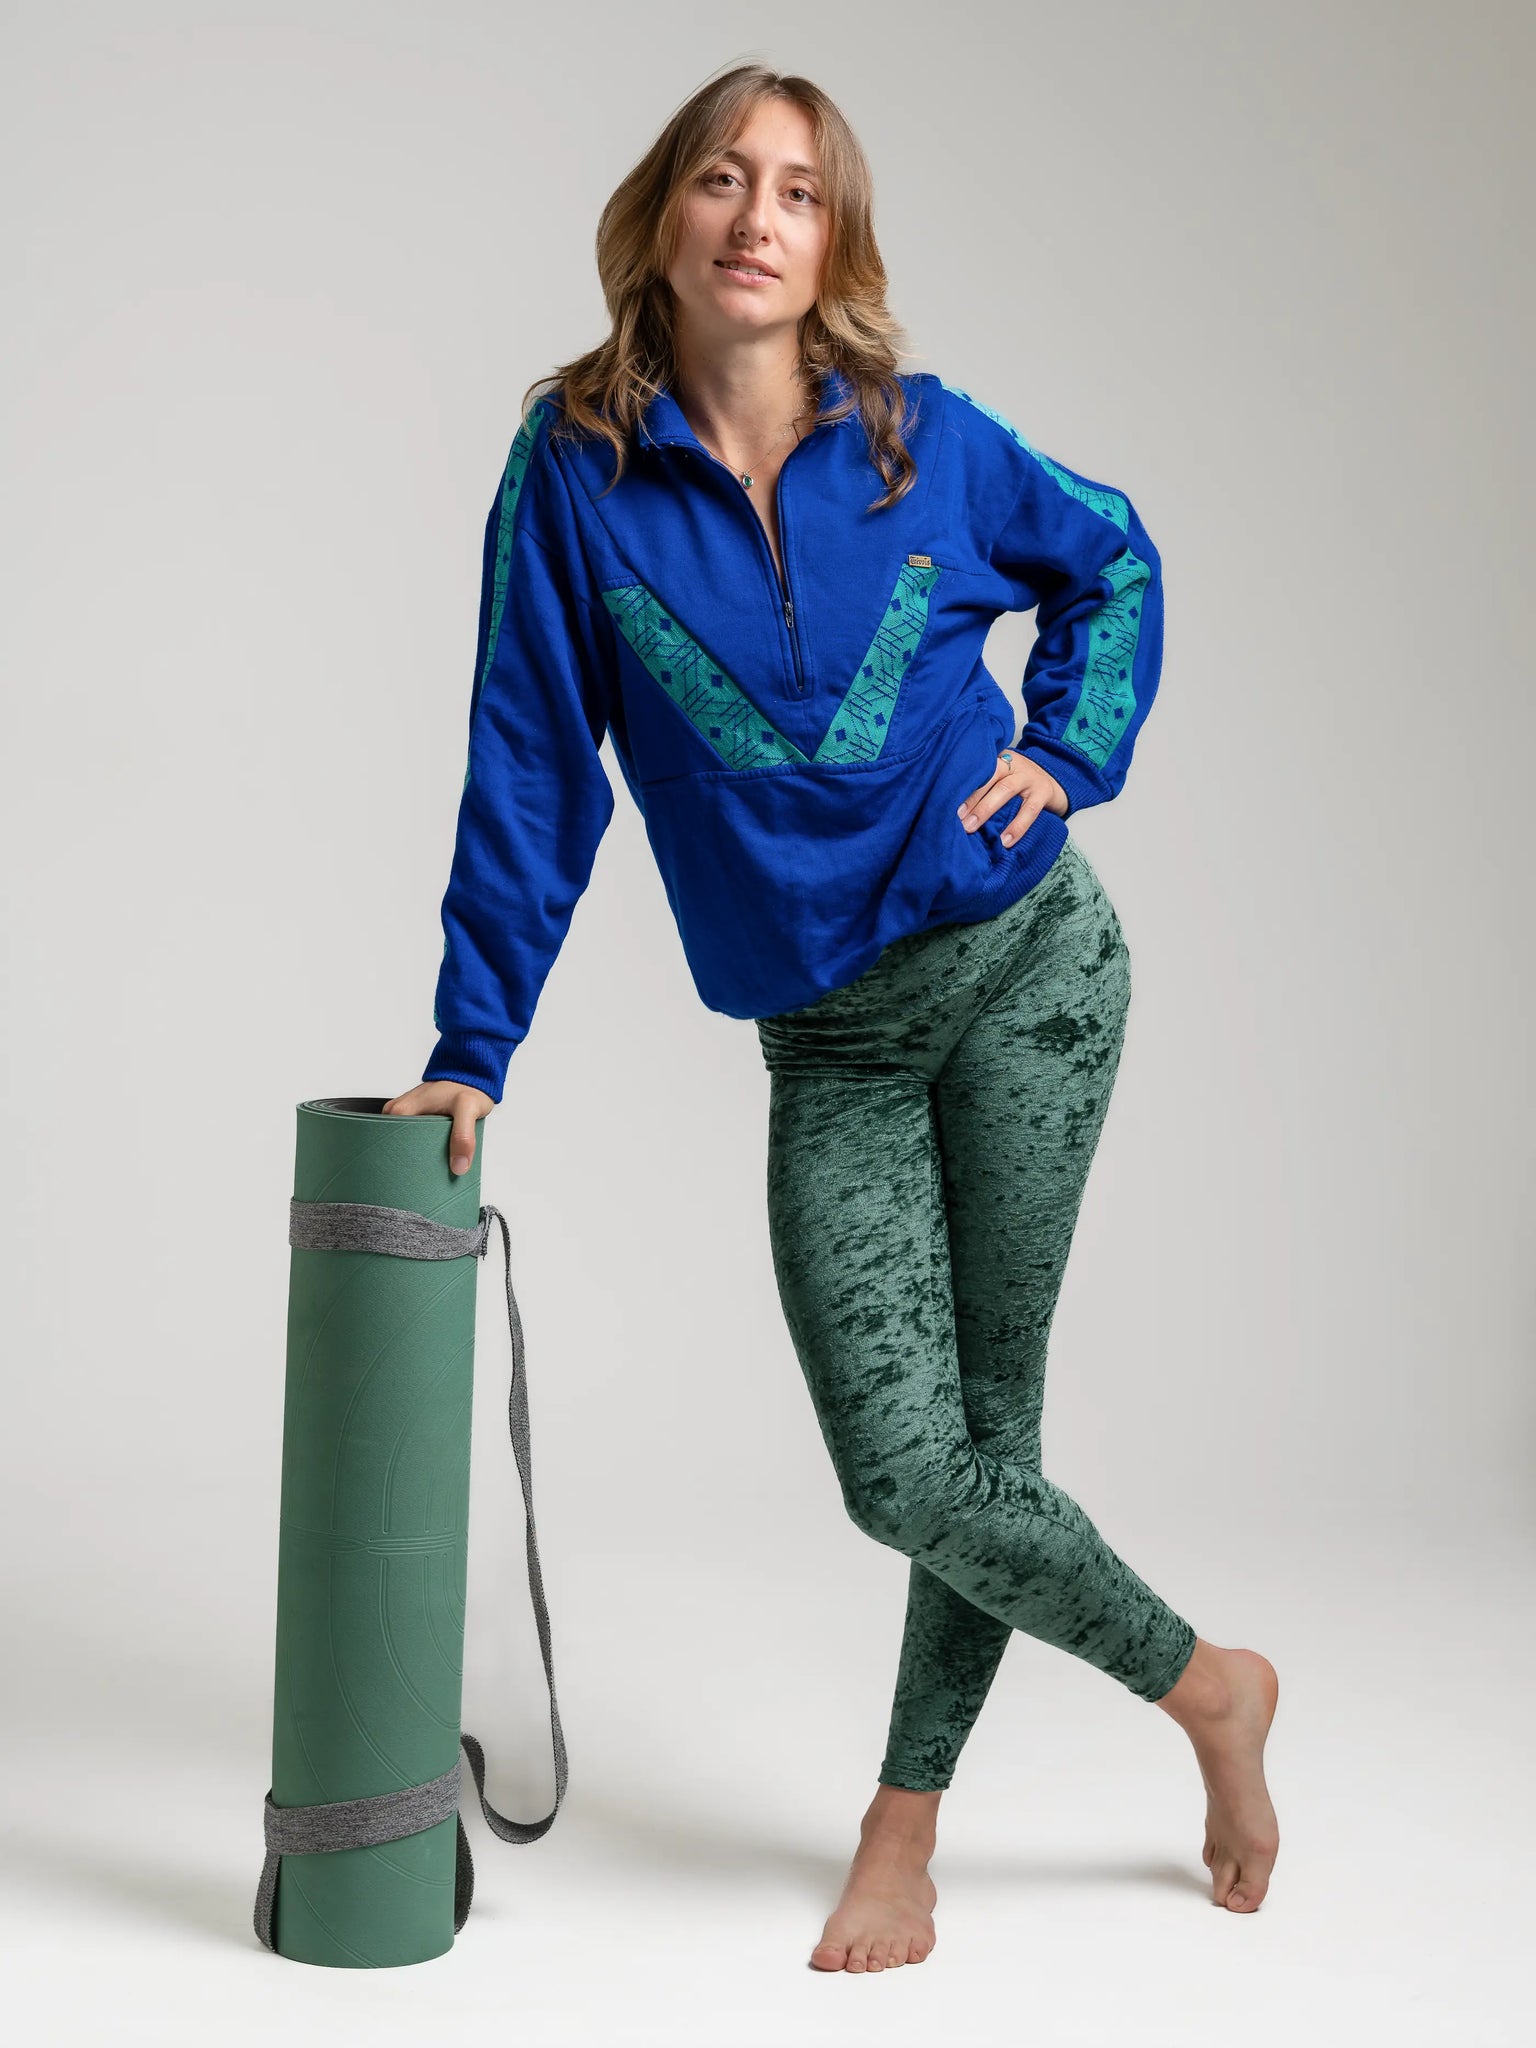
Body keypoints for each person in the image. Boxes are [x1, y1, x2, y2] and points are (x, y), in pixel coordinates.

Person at [384, 61, 1279, 1974]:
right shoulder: (575, 473)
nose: (758, 216)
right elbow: (531, 762)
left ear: (833, 242)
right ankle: (1211, 1685)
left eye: (799, 190)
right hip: (838, 1048)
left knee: (988, 1434)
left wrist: (1067, 753)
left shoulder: (923, 441)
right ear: (667, 217)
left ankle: (903, 1828)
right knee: (912, 1476)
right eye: (725, 177)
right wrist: (472, 1045)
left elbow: (1111, 556)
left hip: (1031, 975)